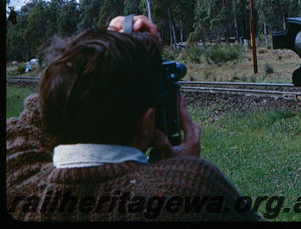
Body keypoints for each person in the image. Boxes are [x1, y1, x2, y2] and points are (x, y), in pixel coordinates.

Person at [6, 15, 261, 222]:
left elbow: (22, 131)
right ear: (145, 122)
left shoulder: (20, 185)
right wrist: (179, 173)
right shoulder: (189, 188)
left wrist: (91, 62)